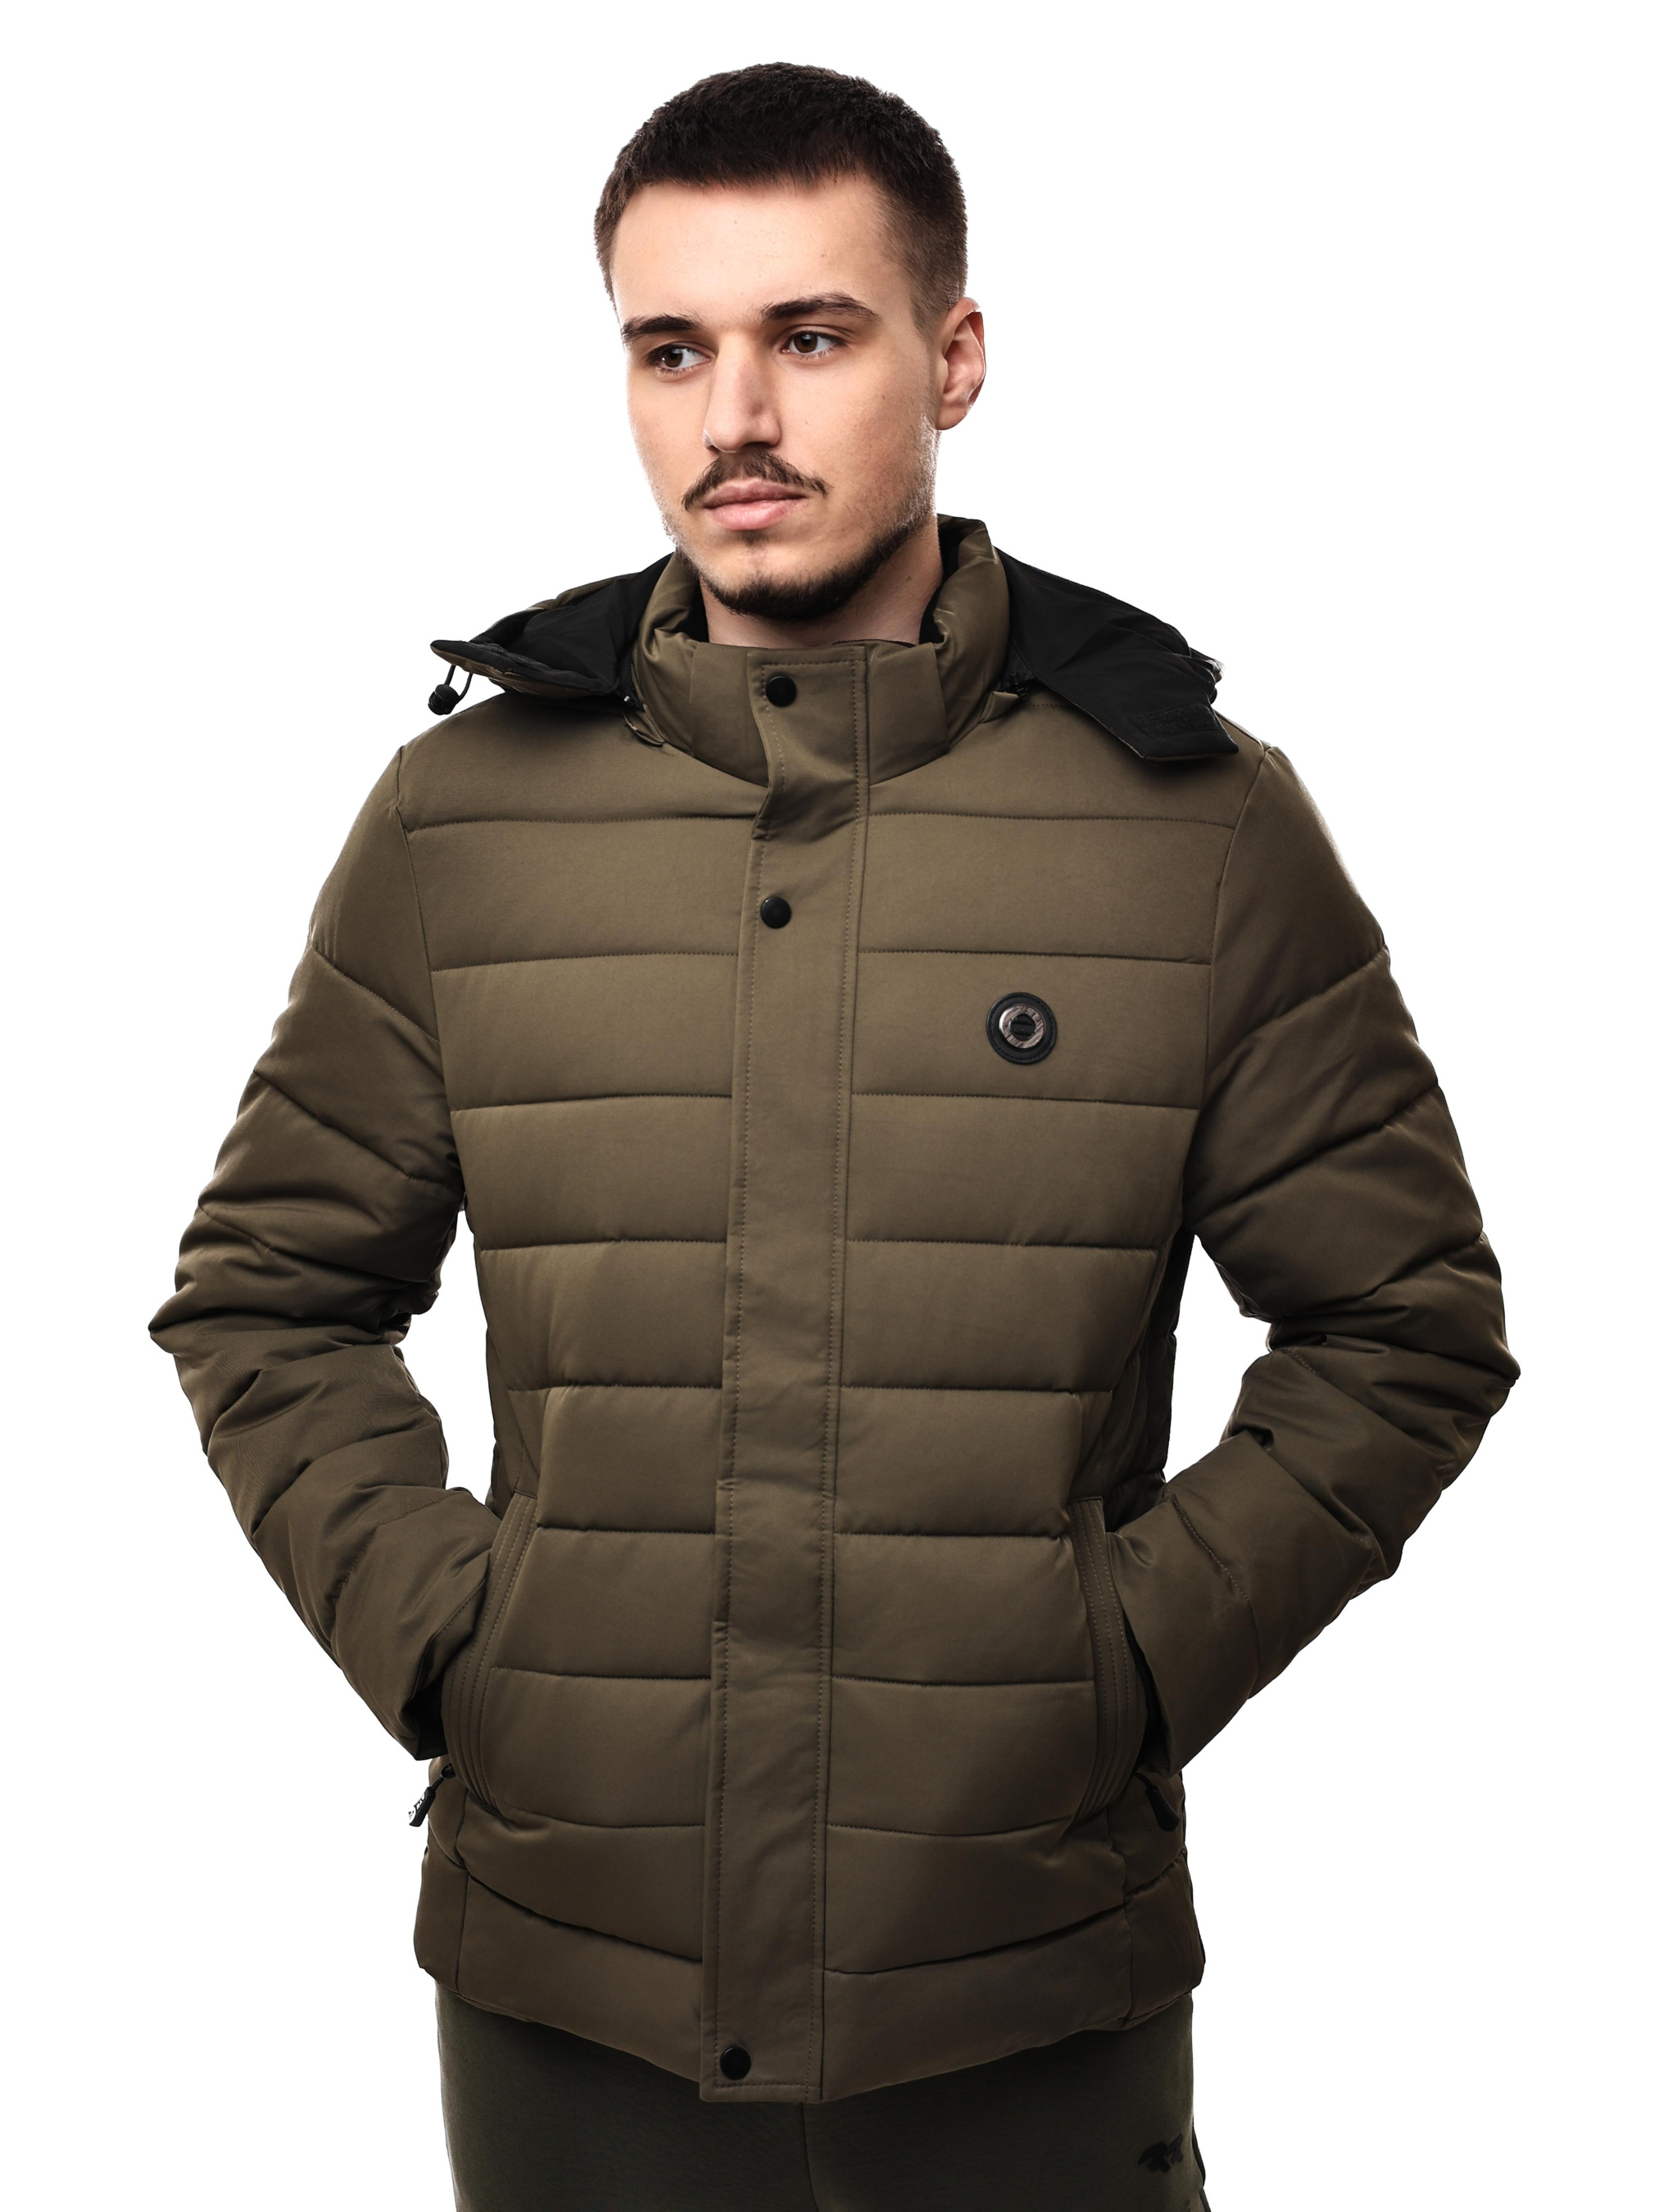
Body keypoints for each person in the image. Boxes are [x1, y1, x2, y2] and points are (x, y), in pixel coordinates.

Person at [152, 61, 1517, 2212]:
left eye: (809, 334)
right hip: (568, 1983)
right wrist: (463, 1648)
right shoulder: (459, 823)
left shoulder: (1196, 823)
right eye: (668, 347)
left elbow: (1403, 1330)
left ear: (951, 358)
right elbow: (268, 1297)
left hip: (1023, 1983)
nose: (735, 417)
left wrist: (1113, 1667)